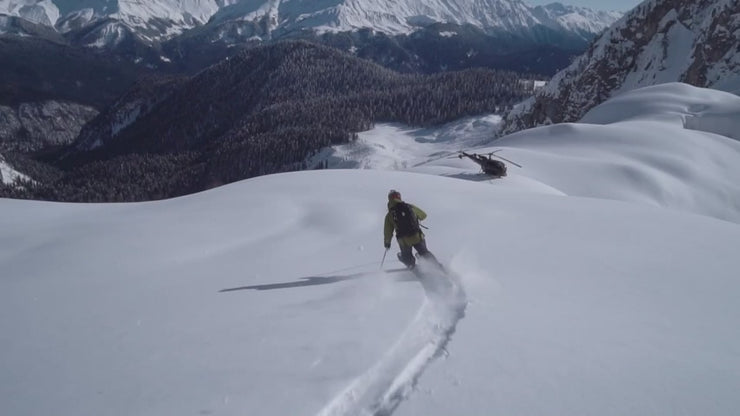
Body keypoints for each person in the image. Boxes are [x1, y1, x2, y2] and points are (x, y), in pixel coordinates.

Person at [383, 189, 437, 269]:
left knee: (406, 256)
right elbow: (423, 215)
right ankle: (436, 266)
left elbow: (388, 232)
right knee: (424, 252)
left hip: (403, 240)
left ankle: (412, 266)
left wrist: (387, 243)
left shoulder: (389, 215)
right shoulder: (410, 207)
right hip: (417, 236)